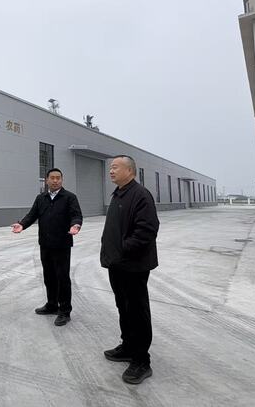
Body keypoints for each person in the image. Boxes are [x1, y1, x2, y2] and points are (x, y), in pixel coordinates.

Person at [101, 155, 159, 384]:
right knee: (123, 307)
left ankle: (142, 360)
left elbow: (147, 230)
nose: (111, 171)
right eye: (110, 168)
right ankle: (128, 346)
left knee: (136, 310)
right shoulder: (119, 194)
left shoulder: (140, 195)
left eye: (115, 167)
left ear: (130, 171)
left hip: (133, 265)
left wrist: (123, 249)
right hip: (117, 264)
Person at [11, 168, 82, 326]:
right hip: (45, 244)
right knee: (49, 276)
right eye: (52, 178)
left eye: (58, 178)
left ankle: (65, 311)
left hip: (62, 245)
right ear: (47, 180)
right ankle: (52, 305)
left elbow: (76, 215)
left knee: (62, 278)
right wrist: (22, 224)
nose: (55, 180)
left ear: (62, 180)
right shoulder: (41, 198)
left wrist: (76, 225)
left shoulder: (69, 197)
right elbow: (32, 215)